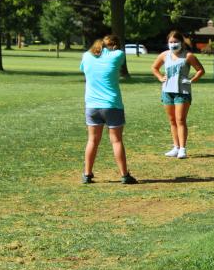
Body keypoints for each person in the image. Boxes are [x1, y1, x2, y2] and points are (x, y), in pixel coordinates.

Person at [80, 35, 137, 184]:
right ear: (115, 46)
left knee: (92, 140)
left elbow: (83, 69)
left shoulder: (86, 56)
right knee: (116, 141)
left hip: (92, 105)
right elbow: (117, 56)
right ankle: (125, 175)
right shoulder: (118, 54)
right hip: (112, 105)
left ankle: (87, 174)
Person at [151, 31, 205, 159]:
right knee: (172, 120)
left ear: (181, 42)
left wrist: (191, 80)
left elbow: (201, 70)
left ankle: (182, 149)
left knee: (180, 120)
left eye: (175, 42)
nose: (173, 44)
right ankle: (175, 147)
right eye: (170, 42)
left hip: (182, 92)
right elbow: (154, 67)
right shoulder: (164, 55)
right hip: (167, 91)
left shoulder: (188, 56)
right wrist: (160, 77)